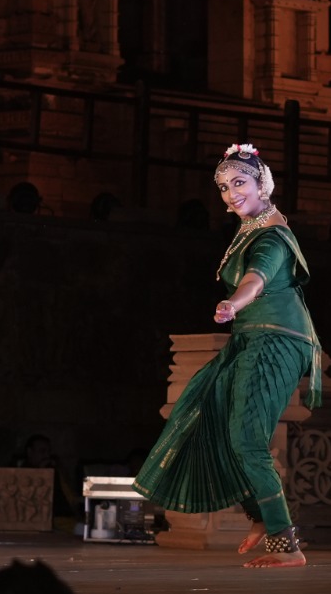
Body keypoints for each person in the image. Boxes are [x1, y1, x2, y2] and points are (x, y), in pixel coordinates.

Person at [134, 143, 321, 569]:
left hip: (275, 340)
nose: (231, 193)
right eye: (223, 187)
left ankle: (284, 541)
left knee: (248, 439)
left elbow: (256, 278)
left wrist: (233, 304)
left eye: (239, 182)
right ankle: (261, 514)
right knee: (211, 418)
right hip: (251, 339)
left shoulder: (271, 237)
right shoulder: (252, 228)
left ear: (262, 184)